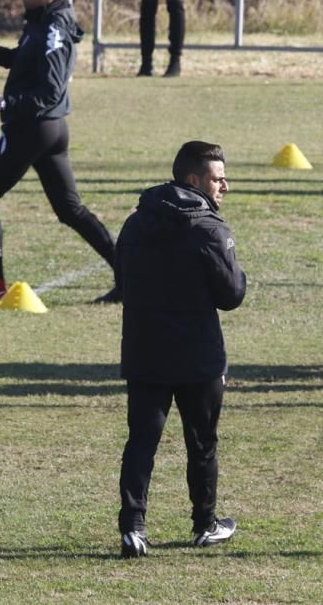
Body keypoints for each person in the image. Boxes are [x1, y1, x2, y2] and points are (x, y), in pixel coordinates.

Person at [0, 0, 117, 305]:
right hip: (49, 130)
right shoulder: (40, 21)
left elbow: (50, 91)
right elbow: (24, 61)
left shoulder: (54, 28)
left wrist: (5, 103)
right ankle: (129, 276)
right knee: (70, 210)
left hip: (34, 129)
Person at [115, 141, 247, 559]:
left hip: (144, 351)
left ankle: (133, 528)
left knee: (141, 442)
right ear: (193, 180)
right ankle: (204, 524)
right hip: (198, 356)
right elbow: (231, 295)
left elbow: (123, 278)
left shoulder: (136, 223)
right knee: (202, 442)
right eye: (217, 177)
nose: (225, 185)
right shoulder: (209, 229)